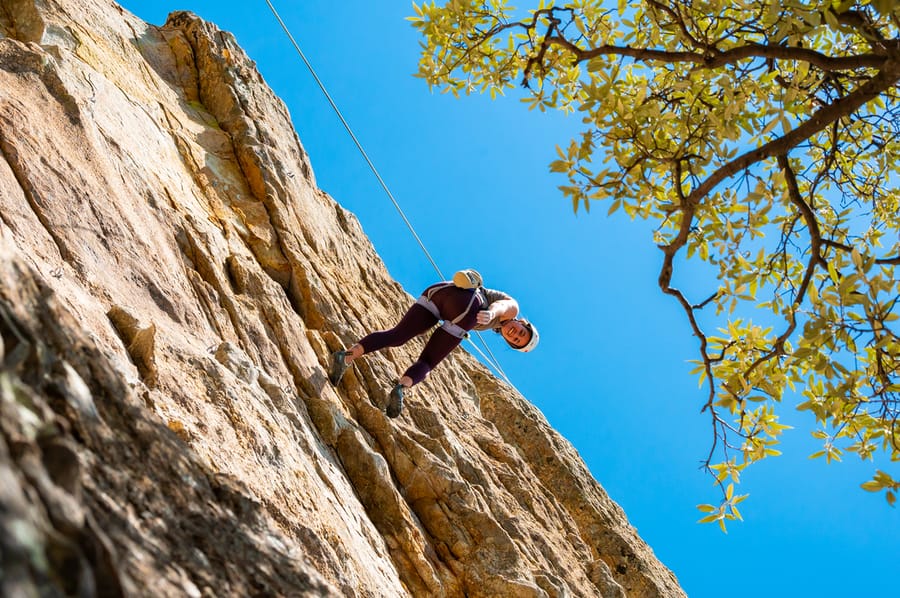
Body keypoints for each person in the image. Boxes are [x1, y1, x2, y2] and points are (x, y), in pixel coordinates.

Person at [328, 273, 538, 418]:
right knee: (428, 361)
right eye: (521, 332)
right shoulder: (512, 310)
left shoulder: (495, 325)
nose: (515, 334)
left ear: (508, 342)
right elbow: (503, 306)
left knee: (397, 336)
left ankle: (346, 357)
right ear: (521, 322)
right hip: (469, 306)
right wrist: (491, 313)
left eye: (516, 340)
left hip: (438, 292)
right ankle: (402, 387)